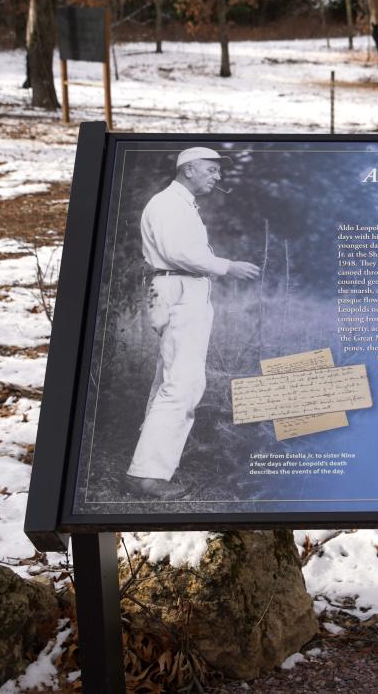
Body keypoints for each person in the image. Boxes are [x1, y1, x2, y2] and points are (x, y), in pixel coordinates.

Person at [125, 147, 261, 499]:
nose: (217, 177)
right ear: (189, 170)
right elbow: (179, 253)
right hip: (180, 288)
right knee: (183, 384)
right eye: (211, 170)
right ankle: (148, 475)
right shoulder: (170, 203)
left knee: (169, 380)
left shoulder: (180, 204)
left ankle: (146, 465)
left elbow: (185, 251)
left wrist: (215, 266)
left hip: (182, 287)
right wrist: (227, 265)